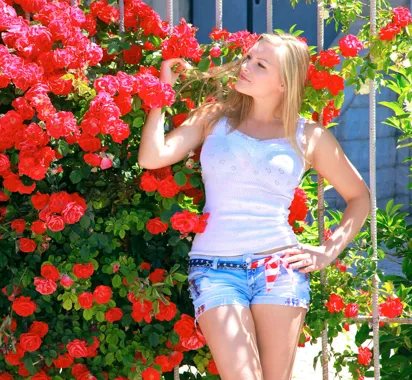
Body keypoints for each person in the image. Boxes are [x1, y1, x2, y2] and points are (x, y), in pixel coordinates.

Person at [137, 33, 371, 380]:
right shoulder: (213, 118)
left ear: (283, 81)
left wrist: (327, 252)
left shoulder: (308, 136)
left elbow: (360, 198)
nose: (245, 66)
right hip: (214, 269)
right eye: (248, 58)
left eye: (260, 64)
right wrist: (162, 92)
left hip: (279, 267)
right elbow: (152, 157)